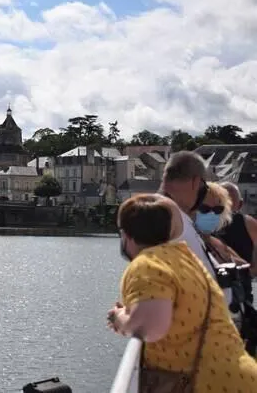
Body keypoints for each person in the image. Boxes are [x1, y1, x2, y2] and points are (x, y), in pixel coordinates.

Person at [108, 194, 257, 392]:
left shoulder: (148, 264)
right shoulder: (186, 258)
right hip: (238, 376)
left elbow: (150, 327)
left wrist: (119, 318)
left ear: (127, 234)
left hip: (209, 383)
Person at [159, 151, 233, 305]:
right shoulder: (172, 217)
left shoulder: (186, 225)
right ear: (196, 182)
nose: (211, 214)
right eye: (205, 209)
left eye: (217, 210)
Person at [217, 182, 257, 304]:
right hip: (242, 289)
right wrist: (252, 271)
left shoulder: (207, 223)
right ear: (240, 204)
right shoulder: (248, 223)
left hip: (218, 287)